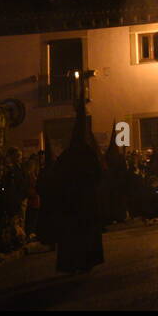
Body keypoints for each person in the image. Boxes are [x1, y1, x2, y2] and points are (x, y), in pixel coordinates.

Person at [53, 98, 105, 274]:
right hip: (82, 201)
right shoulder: (88, 154)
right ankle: (84, 261)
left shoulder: (67, 156)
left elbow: (57, 176)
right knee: (82, 233)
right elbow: (99, 174)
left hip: (73, 202)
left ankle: (74, 263)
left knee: (74, 234)